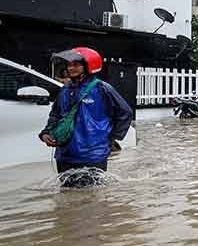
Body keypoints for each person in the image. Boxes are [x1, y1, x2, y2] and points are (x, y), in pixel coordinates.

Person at [39, 47, 133, 187]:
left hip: (93, 155)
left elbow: (125, 113)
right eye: (69, 65)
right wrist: (46, 133)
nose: (71, 68)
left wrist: (111, 138)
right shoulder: (64, 90)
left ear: (88, 66)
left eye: (76, 64)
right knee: (67, 198)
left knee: (91, 200)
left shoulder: (102, 89)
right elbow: (56, 115)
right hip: (65, 154)